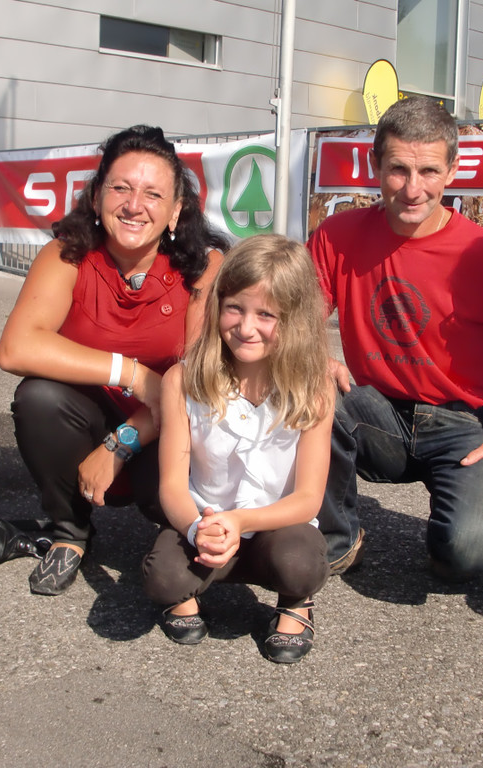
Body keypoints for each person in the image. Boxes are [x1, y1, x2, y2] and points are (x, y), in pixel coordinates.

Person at [308, 96, 483, 581]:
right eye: (398, 170)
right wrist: (318, 357)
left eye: (428, 171)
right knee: (307, 387)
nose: (413, 189)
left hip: (464, 422)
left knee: (468, 556)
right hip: (378, 412)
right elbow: (295, 317)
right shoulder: (337, 235)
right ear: (375, 166)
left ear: (452, 171)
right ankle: (338, 537)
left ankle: (461, 522)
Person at [0, 125, 229, 597]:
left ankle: (176, 534)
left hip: (166, 432)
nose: (133, 205)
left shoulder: (204, 267)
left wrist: (121, 443)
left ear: (175, 211)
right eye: (121, 188)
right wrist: (134, 374)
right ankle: (70, 530)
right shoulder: (66, 255)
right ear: (97, 195)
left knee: (180, 493)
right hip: (84, 422)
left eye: (152, 194)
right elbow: (16, 348)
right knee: (38, 397)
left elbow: (199, 381)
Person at [143, 235, 333, 664]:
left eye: (266, 314)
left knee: (301, 563)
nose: (246, 328)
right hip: (205, 525)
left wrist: (241, 521)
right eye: (235, 308)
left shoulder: (315, 387)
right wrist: (198, 529)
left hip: (277, 529)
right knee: (162, 577)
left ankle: (296, 601)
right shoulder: (182, 380)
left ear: (296, 319)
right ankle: (188, 590)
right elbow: (172, 485)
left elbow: (308, 498)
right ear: (217, 305)